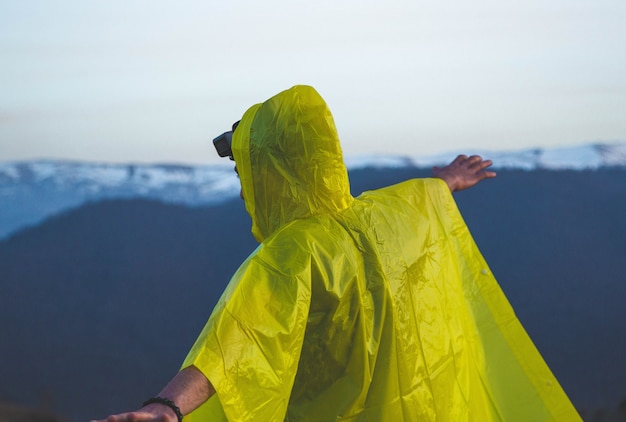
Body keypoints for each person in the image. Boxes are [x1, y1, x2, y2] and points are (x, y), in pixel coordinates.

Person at [94, 85, 580, 421]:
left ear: (274, 175)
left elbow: (232, 347)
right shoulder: (390, 214)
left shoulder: (290, 257)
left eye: (247, 174)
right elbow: (425, 195)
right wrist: (451, 179)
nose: (244, 191)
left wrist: (168, 407)